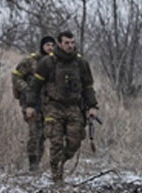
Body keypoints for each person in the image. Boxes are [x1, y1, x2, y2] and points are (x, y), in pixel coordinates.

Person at [22, 31, 99, 184]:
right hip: (53, 106)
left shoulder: (81, 63)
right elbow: (35, 86)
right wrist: (30, 105)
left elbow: (88, 87)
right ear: (59, 43)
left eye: (72, 43)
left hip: (74, 107)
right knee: (56, 142)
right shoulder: (47, 62)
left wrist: (92, 106)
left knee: (74, 141)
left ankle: (60, 162)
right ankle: (57, 177)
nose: (70, 46)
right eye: (66, 43)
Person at [11, 35, 55, 172]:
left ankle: (38, 162)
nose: (50, 48)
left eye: (52, 45)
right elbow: (16, 76)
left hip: (47, 104)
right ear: (42, 46)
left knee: (43, 135)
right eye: (48, 45)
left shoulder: (55, 62)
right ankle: (32, 164)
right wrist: (27, 90)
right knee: (34, 133)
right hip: (31, 103)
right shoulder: (31, 61)